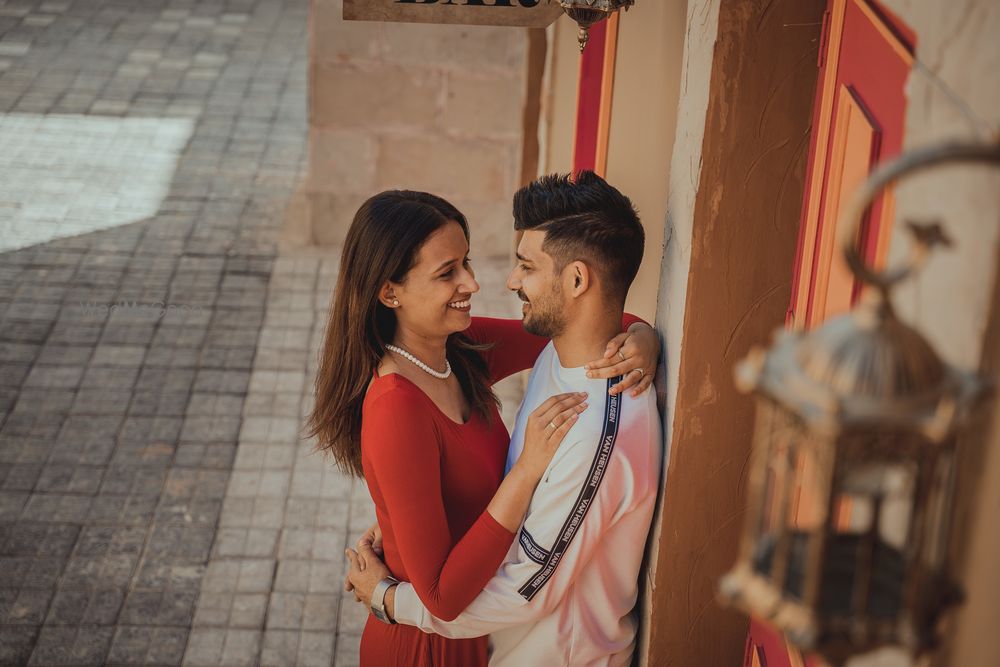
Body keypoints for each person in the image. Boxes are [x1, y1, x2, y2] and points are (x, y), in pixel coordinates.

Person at [307, 188, 659, 666]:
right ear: (390, 292)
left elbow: (586, 321)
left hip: (481, 632)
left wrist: (645, 339)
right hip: (427, 646)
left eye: (465, 262)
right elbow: (441, 598)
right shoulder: (396, 409)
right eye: (447, 272)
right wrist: (526, 470)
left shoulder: (459, 349)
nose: (473, 283)